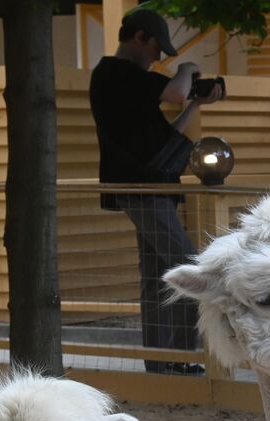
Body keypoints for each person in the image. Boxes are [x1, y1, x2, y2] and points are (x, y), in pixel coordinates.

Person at [89, 9, 222, 374]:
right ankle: (182, 358)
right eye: (157, 48)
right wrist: (188, 70)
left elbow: (170, 130)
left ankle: (162, 362)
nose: (159, 57)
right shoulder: (115, 73)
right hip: (141, 188)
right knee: (187, 266)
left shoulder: (131, 85)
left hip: (151, 187)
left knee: (157, 275)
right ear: (140, 38)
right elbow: (175, 92)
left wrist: (197, 102)